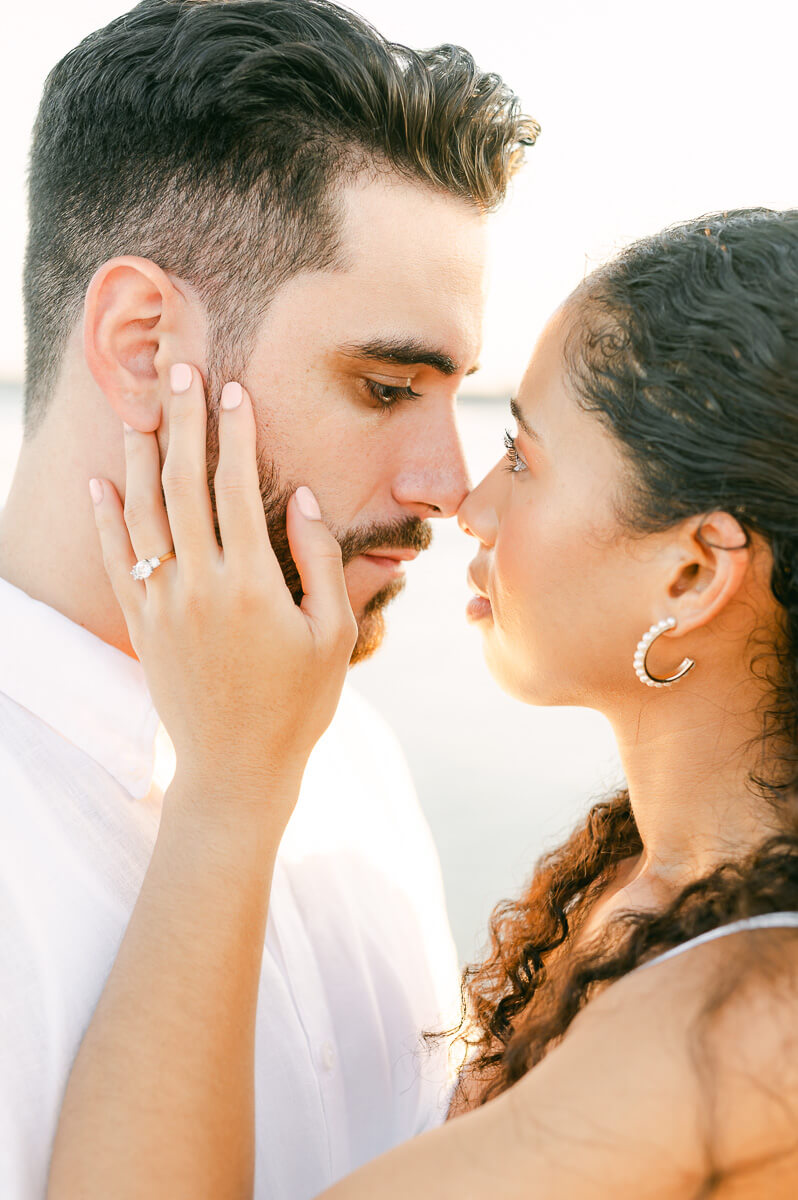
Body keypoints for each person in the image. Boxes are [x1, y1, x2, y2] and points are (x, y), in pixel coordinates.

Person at [49, 207, 798, 1199]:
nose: (469, 503)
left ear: (693, 573)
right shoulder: (644, 885)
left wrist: (231, 785)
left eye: (524, 457)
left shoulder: (747, 1024)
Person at [0, 2, 539, 1196]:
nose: (450, 485)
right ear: (145, 346)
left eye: (457, 394)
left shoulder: (351, 752)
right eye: (387, 384)